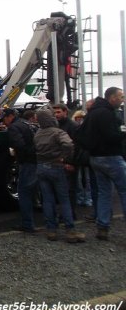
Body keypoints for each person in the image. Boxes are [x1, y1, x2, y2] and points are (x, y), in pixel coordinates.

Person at [80, 87, 126, 240]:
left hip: (95, 158)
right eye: (121, 96)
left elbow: (81, 133)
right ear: (111, 97)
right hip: (111, 157)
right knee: (124, 191)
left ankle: (103, 227)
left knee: (103, 193)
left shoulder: (93, 113)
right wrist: (123, 134)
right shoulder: (107, 113)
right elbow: (111, 136)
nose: (122, 99)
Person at [33, 108, 85, 242]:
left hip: (41, 167)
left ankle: (51, 230)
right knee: (64, 199)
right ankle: (70, 231)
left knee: (48, 199)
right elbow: (68, 144)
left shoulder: (38, 133)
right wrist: (65, 157)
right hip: (56, 166)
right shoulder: (58, 132)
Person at [2, 108, 39, 233]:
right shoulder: (28, 124)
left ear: (10, 116)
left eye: (4, 119)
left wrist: (19, 156)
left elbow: (20, 145)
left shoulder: (14, 127)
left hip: (27, 162)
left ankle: (28, 224)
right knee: (40, 191)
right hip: (37, 161)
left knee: (23, 193)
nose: (4, 122)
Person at [52, 103, 78, 219]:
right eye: (55, 112)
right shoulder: (57, 125)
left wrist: (70, 162)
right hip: (59, 162)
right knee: (62, 190)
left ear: (65, 112)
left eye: (58, 112)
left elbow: (75, 145)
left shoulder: (72, 126)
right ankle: (66, 213)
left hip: (68, 162)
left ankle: (70, 214)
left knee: (69, 189)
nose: (56, 115)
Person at [71, 110, 92, 208]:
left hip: (83, 156)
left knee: (86, 179)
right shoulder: (75, 128)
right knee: (80, 179)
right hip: (80, 156)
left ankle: (86, 198)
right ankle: (82, 198)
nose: (79, 120)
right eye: (78, 118)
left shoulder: (78, 128)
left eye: (81, 118)